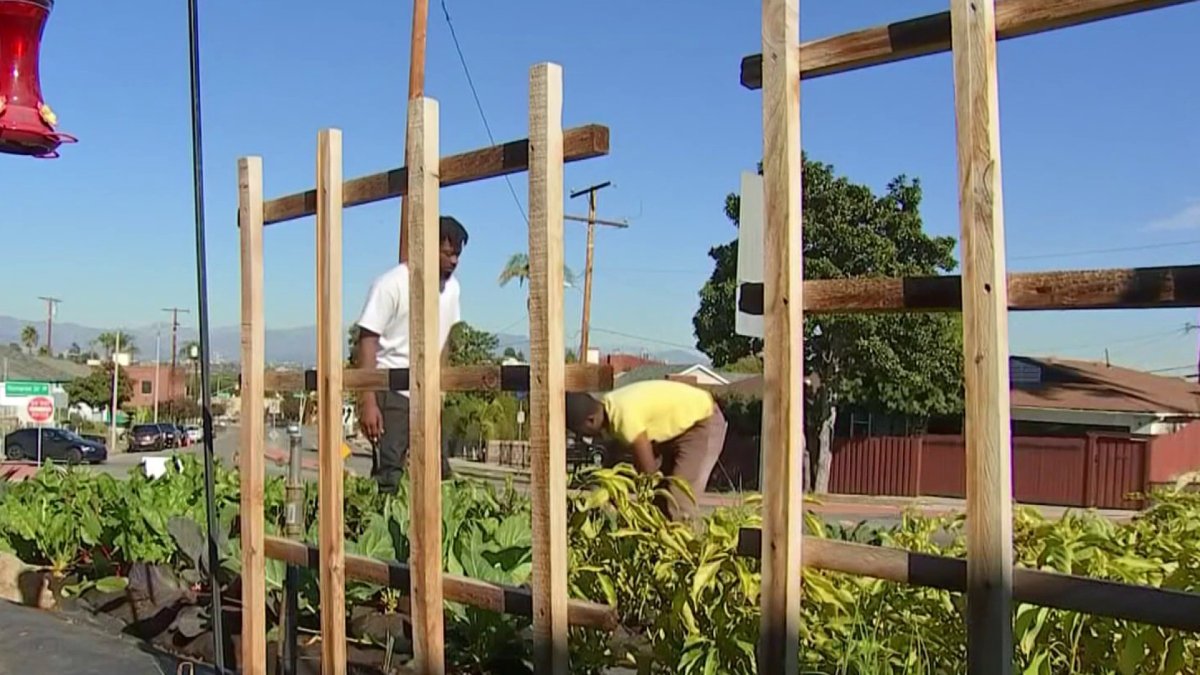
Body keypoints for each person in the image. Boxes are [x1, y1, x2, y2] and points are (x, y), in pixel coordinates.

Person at [354, 216, 468, 493]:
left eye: (457, 254)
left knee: (437, 472)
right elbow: (367, 340)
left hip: (427, 393)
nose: (453, 261)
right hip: (392, 391)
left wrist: (439, 390)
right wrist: (367, 400)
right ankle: (383, 519)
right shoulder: (391, 284)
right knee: (390, 474)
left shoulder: (452, 290)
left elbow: (444, 340)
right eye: (447, 253)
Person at [565, 380, 727, 520]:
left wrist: (639, 501)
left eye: (580, 432)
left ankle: (688, 543)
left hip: (703, 420)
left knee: (679, 498)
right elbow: (617, 461)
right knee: (661, 499)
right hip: (679, 430)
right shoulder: (609, 406)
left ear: (591, 420)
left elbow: (648, 471)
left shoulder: (624, 417)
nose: (582, 437)